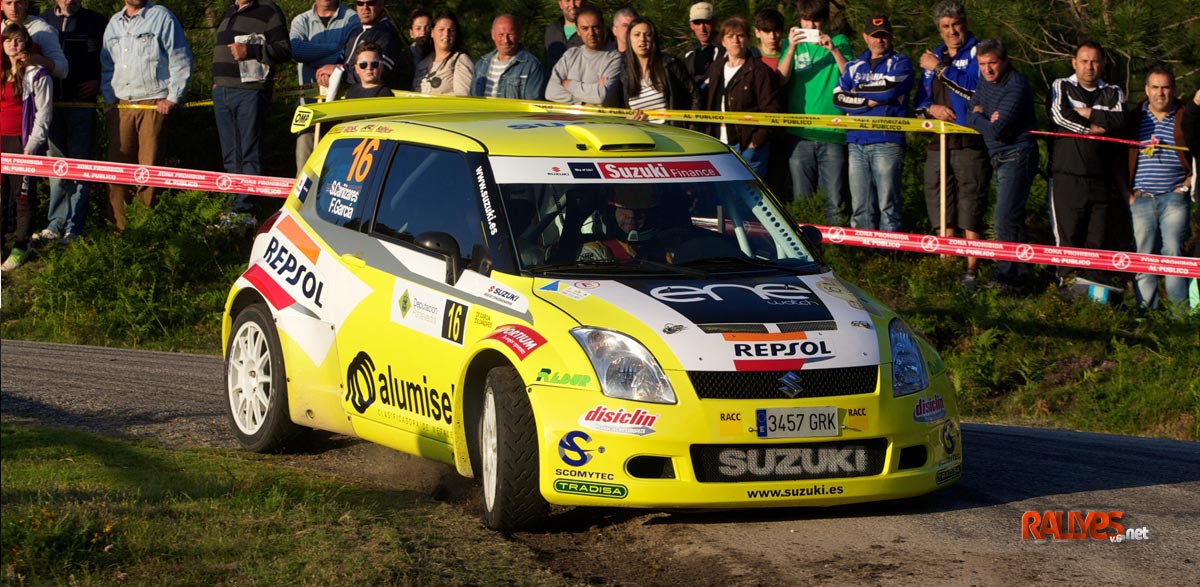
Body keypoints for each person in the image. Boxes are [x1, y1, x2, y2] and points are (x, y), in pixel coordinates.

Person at [914, 0, 989, 288]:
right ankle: (946, 268)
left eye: (956, 24)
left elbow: (975, 91)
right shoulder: (933, 55)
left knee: (970, 202)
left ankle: (971, 269)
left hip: (969, 139)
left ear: (964, 23)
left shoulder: (979, 52)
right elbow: (919, 103)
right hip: (938, 139)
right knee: (939, 201)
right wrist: (930, 109)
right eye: (945, 26)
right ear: (939, 29)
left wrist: (940, 68)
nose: (951, 31)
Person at [99, 0, 192, 231]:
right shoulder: (114, 24)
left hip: (153, 102)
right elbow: (107, 66)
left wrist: (173, 97)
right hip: (122, 104)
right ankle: (119, 232)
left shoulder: (162, 17)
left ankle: (145, 230)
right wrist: (109, 101)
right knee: (117, 169)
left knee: (149, 169)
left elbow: (180, 58)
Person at [1047, 41, 1129, 289]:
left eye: (1094, 61)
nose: (1089, 66)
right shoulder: (1062, 85)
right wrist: (1090, 128)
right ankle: (1066, 287)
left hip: (1101, 179)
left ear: (1102, 64)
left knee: (1098, 239)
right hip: (1068, 176)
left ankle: (1094, 295)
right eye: (1084, 61)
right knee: (1069, 236)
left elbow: (1119, 120)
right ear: (1074, 63)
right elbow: (1059, 115)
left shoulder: (1113, 92)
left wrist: (1087, 112)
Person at [965, 39, 1038, 293]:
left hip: (1017, 154)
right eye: (982, 64)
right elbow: (969, 112)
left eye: (993, 63)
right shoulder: (985, 81)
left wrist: (980, 115)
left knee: (1004, 217)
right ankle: (1019, 276)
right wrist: (981, 117)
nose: (987, 69)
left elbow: (996, 129)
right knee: (1012, 219)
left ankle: (1006, 275)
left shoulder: (1016, 85)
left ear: (1005, 61)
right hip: (998, 156)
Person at [833, 14, 913, 233]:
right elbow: (838, 98)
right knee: (860, 208)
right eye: (875, 36)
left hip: (887, 140)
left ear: (891, 37)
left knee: (888, 207)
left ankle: (889, 252)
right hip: (856, 141)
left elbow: (889, 89)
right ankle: (864, 252)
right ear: (865, 37)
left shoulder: (901, 62)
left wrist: (856, 92)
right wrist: (867, 101)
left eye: (884, 35)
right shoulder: (853, 66)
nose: (879, 40)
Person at [34, 0, 105, 243]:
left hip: (82, 105)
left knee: (80, 166)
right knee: (56, 167)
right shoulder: (43, 22)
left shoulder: (96, 22)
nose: (69, 0)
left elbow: (111, 60)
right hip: (51, 105)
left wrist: (98, 81)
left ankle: (74, 227)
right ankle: (55, 224)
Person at [212, 0, 291, 214]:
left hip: (250, 91)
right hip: (222, 91)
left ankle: (245, 210)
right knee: (230, 154)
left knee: (249, 152)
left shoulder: (268, 9)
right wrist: (217, 81)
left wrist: (250, 50)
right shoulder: (230, 11)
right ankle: (233, 207)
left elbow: (284, 50)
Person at [777, 0, 851, 223]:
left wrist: (834, 50)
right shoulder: (791, 44)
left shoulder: (840, 40)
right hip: (800, 135)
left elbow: (851, 77)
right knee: (802, 202)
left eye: (816, 20)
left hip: (833, 133)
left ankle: (831, 246)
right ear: (799, 20)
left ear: (825, 21)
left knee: (834, 204)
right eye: (806, 20)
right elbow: (780, 80)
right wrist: (791, 49)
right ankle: (806, 244)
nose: (810, 25)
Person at [1126, 65, 1192, 311]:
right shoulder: (1134, 118)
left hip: (1174, 198)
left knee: (1173, 253)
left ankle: (1179, 316)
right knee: (1144, 256)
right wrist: (1127, 195)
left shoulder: (1186, 116)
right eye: (1155, 87)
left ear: (1174, 89)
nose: (1160, 93)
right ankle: (1146, 314)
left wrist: (1186, 185)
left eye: (1165, 87)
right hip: (1140, 198)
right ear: (1146, 90)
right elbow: (1117, 159)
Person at [701, 16, 780, 178]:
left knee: (748, 192)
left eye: (740, 36)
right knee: (722, 192)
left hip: (747, 147)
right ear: (723, 41)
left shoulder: (760, 71)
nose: (735, 41)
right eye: (730, 36)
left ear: (748, 40)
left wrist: (754, 143)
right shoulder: (716, 68)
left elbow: (772, 110)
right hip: (718, 144)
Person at [1, 23, 51, 271]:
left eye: (18, 39)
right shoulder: (1, 71)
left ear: (26, 43)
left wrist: (31, 145)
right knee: (1, 197)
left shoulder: (37, 74)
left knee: (23, 196)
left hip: (21, 143)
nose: (13, 44)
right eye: (8, 40)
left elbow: (44, 113)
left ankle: (21, 245)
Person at [289, 0, 356, 172]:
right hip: (309, 109)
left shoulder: (352, 19)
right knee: (304, 171)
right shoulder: (301, 21)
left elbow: (352, 55)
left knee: (338, 170)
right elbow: (295, 50)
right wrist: (335, 49)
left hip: (341, 111)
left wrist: (316, 58)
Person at [318, 0, 412, 93]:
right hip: (350, 94)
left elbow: (377, 74)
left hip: (375, 97)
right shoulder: (356, 31)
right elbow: (342, 61)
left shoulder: (387, 35)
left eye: (370, 3)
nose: (365, 8)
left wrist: (338, 72)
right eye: (360, 3)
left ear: (381, 3)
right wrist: (329, 74)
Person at [620, 17, 698, 125]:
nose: (642, 39)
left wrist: (692, 129)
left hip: (669, 133)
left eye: (648, 35)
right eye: (637, 35)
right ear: (629, 39)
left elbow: (695, 96)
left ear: (653, 39)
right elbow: (617, 110)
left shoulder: (670, 65)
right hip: (638, 133)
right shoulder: (623, 72)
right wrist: (626, 122)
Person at [545, 5, 620, 107]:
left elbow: (601, 96)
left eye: (595, 27)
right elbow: (551, 92)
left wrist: (569, 84)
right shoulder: (570, 55)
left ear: (602, 27)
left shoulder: (614, 58)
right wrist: (589, 99)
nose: (591, 33)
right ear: (578, 30)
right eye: (585, 28)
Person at [753, 7, 789, 200]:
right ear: (757, 32)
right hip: (755, 133)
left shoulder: (790, 56)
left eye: (776, 31)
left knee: (777, 189)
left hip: (782, 134)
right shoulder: (750, 57)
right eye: (767, 31)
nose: (772, 36)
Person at [470, 14, 544, 100]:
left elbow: (533, 104)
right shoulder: (481, 64)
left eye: (510, 34)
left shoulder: (531, 66)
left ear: (519, 34)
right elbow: (472, 100)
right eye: (501, 34)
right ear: (493, 35)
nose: (506, 40)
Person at [1, 0, 68, 79]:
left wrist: (38, 60)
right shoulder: (2, 28)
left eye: (18, 3)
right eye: (8, 3)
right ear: (1, 6)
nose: (13, 8)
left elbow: (63, 70)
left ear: (26, 4)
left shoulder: (43, 30)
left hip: (34, 85)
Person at [413, 11, 472, 96]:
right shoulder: (423, 63)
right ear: (432, 32)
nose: (446, 34)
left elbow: (464, 99)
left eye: (451, 30)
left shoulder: (461, 60)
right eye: (441, 30)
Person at [683, 2, 723, 91]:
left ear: (715, 21)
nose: (702, 29)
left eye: (706, 22)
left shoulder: (727, 49)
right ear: (691, 25)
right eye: (697, 23)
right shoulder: (690, 53)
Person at [544, 0, 581, 74]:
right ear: (560, 4)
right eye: (567, 0)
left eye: (576, 0)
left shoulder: (595, 32)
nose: (572, 5)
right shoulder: (552, 30)